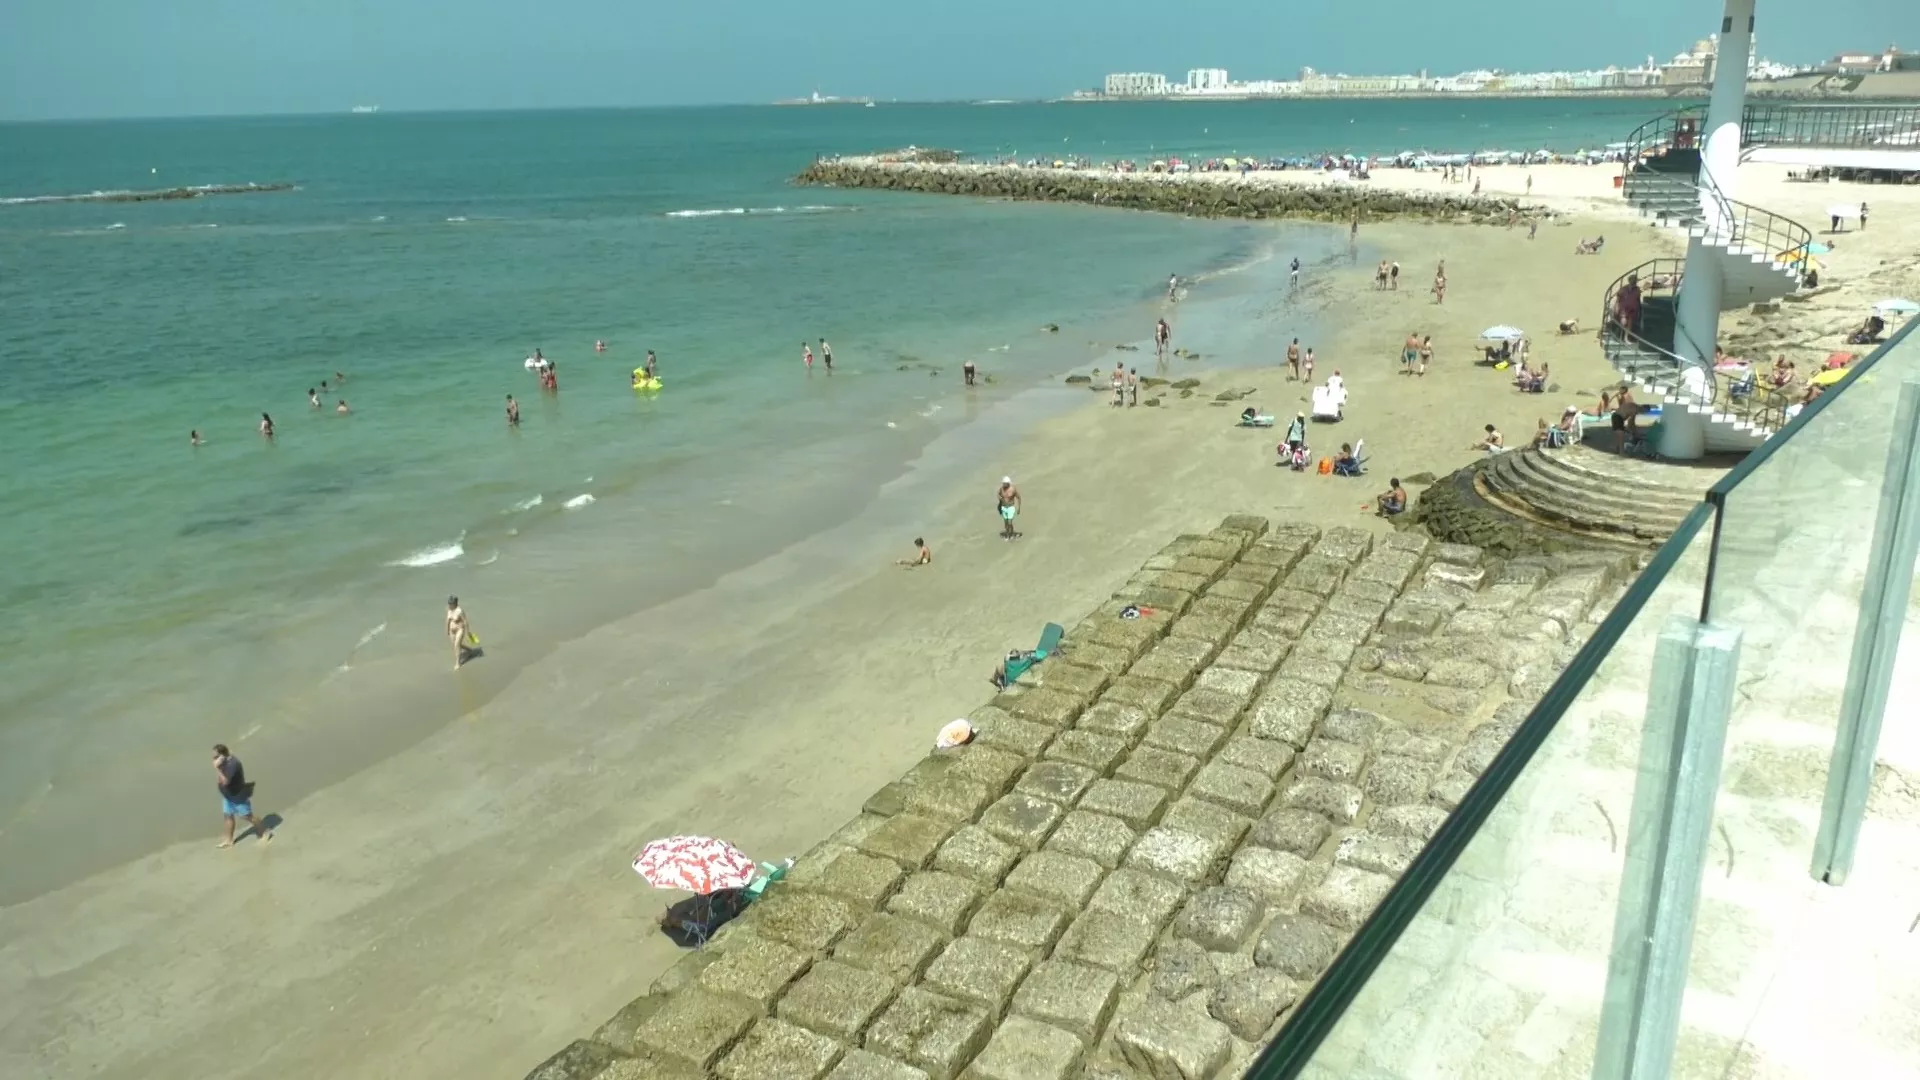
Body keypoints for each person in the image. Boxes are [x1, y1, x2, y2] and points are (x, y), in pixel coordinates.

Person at [212, 744, 271, 848]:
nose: (214, 759)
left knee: (247, 816)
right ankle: (229, 840)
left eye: (216, 756)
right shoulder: (225, 762)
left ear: (222, 756)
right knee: (228, 815)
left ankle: (265, 832)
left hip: (237, 796)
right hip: (227, 796)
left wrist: (217, 768)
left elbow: (225, 781)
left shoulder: (233, 764)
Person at [447, 595, 476, 670]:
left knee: (457, 645)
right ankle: (469, 650)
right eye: (449, 603)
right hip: (452, 630)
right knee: (455, 645)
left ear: (455, 603)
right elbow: (448, 621)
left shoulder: (460, 611)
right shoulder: (449, 610)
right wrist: (447, 630)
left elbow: (465, 621)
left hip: (460, 629)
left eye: (451, 603)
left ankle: (458, 663)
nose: (449, 605)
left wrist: (468, 631)